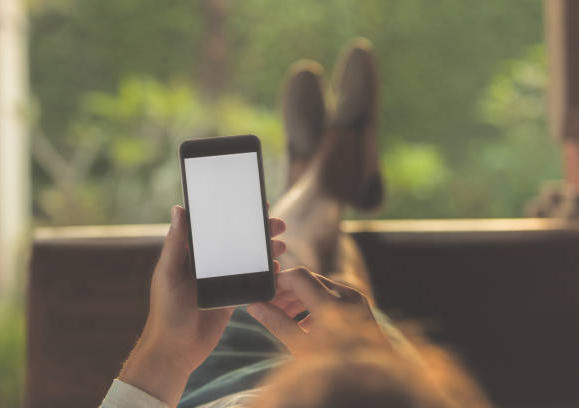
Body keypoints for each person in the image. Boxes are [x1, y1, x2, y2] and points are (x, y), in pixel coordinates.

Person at [99, 39, 491, 408]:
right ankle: (324, 177)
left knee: (315, 284)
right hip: (346, 388)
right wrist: (362, 368)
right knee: (324, 289)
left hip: (210, 376)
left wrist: (165, 353)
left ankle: (317, 175)